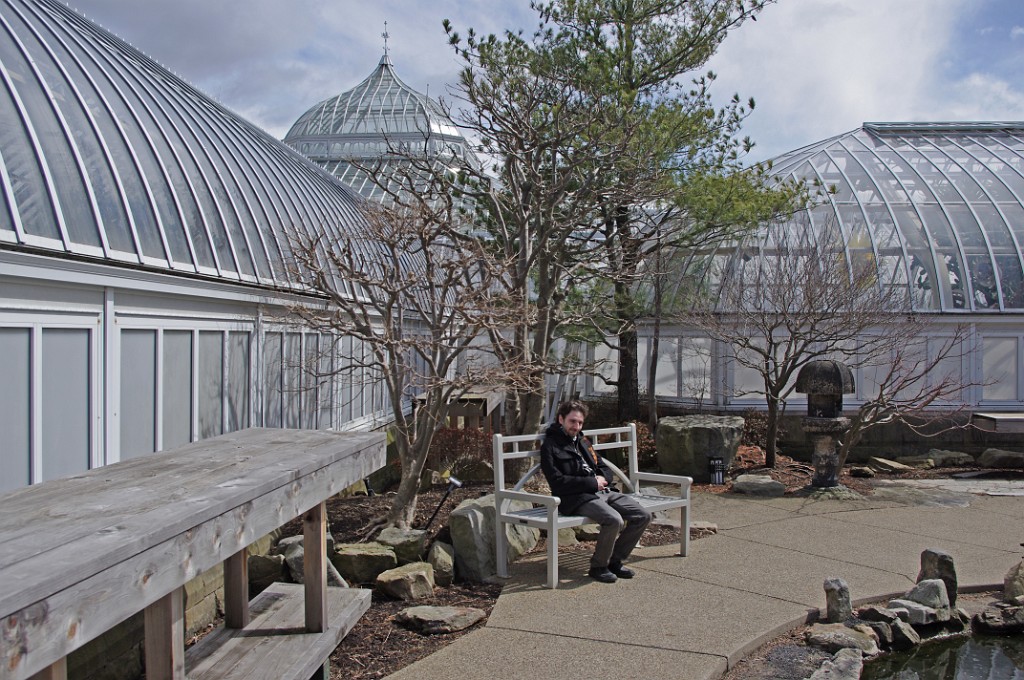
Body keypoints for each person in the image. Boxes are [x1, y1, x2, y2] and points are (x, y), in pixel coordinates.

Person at [539, 399, 652, 583]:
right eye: (572, 421)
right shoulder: (551, 446)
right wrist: (592, 483)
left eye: (580, 422)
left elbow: (603, 466)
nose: (576, 426)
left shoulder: (583, 441)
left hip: (605, 491)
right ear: (561, 419)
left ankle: (614, 561)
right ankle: (599, 567)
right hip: (577, 498)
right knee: (613, 520)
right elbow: (557, 482)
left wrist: (603, 479)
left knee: (643, 516)